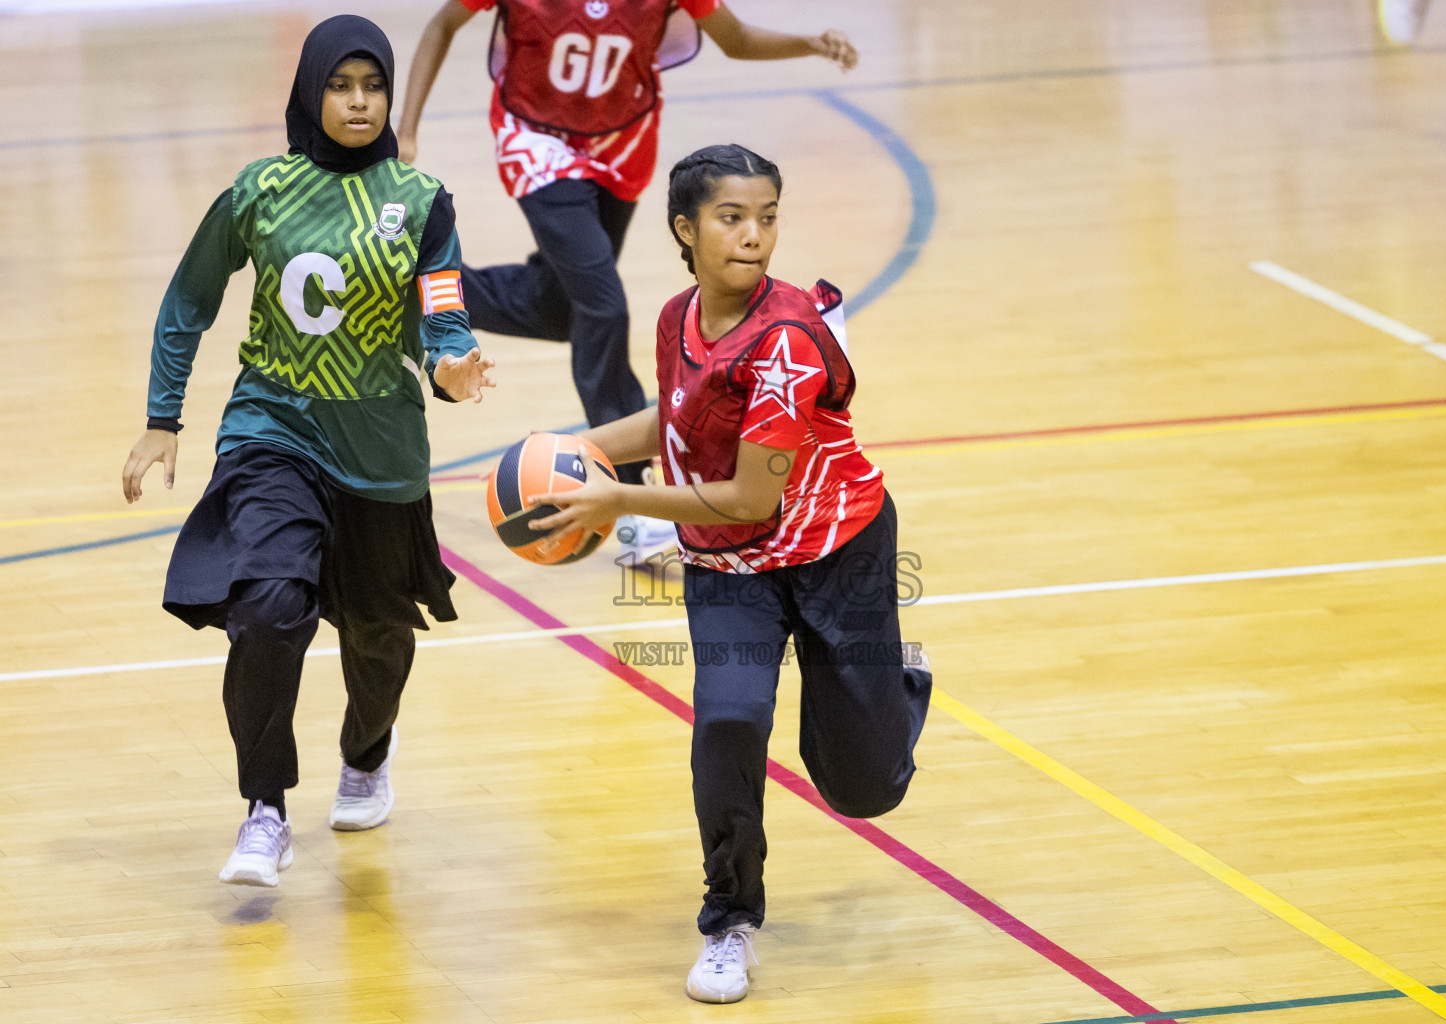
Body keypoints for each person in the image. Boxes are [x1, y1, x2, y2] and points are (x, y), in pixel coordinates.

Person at [527, 144, 932, 1003]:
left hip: (837, 550)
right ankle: (729, 920)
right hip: (731, 566)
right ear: (685, 228)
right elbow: (671, 421)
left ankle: (900, 693)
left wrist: (618, 504)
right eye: (732, 218)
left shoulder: (785, 340)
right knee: (728, 724)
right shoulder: (678, 317)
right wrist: (584, 451)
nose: (755, 236)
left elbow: (751, 494)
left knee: (862, 790)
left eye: (769, 218)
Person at [120, 15, 495, 888]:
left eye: (373, 87)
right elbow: (188, 299)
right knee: (267, 608)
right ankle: (264, 810)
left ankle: (367, 751)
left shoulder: (423, 200)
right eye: (340, 85)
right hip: (272, 430)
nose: (359, 102)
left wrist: (453, 368)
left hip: (381, 451)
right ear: (310, 91)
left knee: (378, 635)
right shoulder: (261, 191)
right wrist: (161, 418)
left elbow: (442, 319)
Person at [396, 0, 858, 559]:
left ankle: (415, 287)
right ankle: (632, 494)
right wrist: (408, 130)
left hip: (622, 144)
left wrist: (810, 42)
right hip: (536, 142)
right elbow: (443, 23)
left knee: (561, 306)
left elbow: (733, 39)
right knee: (605, 306)